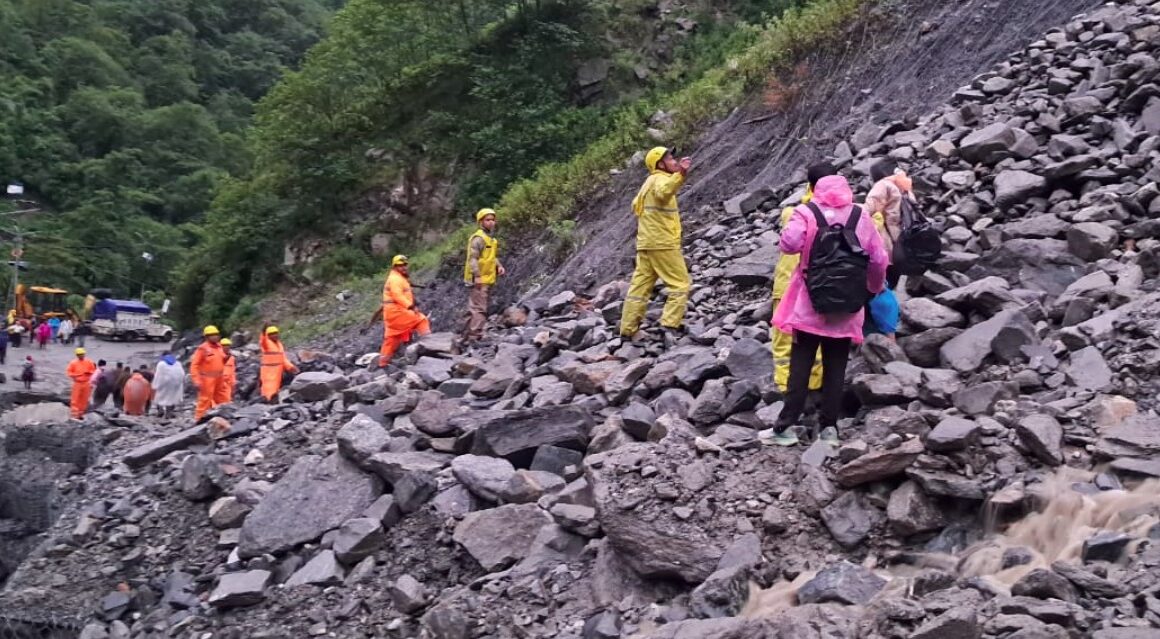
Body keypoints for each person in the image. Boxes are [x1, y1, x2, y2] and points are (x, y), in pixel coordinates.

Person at [770, 174, 888, 446]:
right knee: (836, 366)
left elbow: (789, 244)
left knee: (800, 364)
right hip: (847, 305)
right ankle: (829, 429)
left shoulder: (806, 212)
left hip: (810, 303)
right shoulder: (860, 216)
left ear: (815, 189)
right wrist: (871, 288)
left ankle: (785, 427)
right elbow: (879, 259)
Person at [771, 163, 836, 394]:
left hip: (788, 284)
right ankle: (815, 384)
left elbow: (790, 242)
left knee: (784, 337)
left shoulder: (794, 213)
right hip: (822, 286)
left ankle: (786, 387)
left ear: (810, 186)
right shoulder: (847, 215)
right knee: (817, 334)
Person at [619, 146, 692, 340]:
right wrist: (681, 174)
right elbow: (663, 192)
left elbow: (636, 205)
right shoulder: (660, 180)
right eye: (670, 159)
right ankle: (669, 325)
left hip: (646, 243)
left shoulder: (647, 183)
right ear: (659, 164)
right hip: (663, 242)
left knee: (640, 287)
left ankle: (627, 328)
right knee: (680, 284)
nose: (674, 161)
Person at [865, 159, 917, 290]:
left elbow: (868, 209)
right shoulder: (904, 186)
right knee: (894, 279)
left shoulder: (883, 185)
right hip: (904, 240)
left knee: (882, 283)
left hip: (887, 243)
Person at [376, 255, 431, 368]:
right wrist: (410, 306)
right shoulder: (395, 279)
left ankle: (383, 363)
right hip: (397, 312)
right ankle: (430, 345)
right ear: (394, 266)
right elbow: (397, 295)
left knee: (392, 338)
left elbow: (405, 293)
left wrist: (413, 302)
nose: (404, 267)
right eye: (400, 265)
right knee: (421, 320)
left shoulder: (398, 278)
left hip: (391, 314)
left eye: (405, 265)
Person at [462, 208, 505, 343]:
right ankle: (476, 335)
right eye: (487, 220)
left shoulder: (491, 239)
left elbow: (491, 257)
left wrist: (499, 266)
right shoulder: (478, 239)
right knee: (480, 308)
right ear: (480, 222)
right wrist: (477, 276)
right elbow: (473, 259)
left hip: (487, 278)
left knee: (473, 307)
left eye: (493, 220)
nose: (491, 222)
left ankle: (465, 335)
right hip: (479, 279)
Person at [191, 326, 226, 420]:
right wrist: (196, 380)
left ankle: (221, 417)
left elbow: (222, 360)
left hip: (219, 378)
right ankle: (199, 419)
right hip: (207, 379)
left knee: (222, 399)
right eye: (212, 335)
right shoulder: (202, 349)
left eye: (216, 334)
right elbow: (194, 365)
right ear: (207, 337)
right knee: (205, 400)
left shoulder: (219, 347)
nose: (215, 337)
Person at [259, 324, 297, 402]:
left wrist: (291, 367)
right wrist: (263, 333)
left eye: (276, 333)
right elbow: (262, 341)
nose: (275, 335)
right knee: (269, 387)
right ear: (268, 335)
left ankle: (273, 401)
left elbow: (283, 358)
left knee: (275, 387)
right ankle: (266, 402)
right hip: (269, 370)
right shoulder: (266, 343)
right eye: (272, 334)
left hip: (277, 370)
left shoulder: (279, 344)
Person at [66, 348, 97, 419]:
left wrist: (89, 373)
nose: (81, 355)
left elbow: (94, 371)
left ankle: (81, 414)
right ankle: (74, 414)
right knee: (75, 399)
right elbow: (69, 372)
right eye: (79, 354)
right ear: (77, 355)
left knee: (84, 399)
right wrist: (76, 375)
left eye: (82, 354)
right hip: (77, 383)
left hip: (87, 383)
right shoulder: (73, 363)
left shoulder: (89, 362)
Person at [153, 352, 184, 419]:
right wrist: (179, 384)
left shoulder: (161, 364)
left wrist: (155, 385)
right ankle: (169, 412)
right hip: (176, 383)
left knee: (159, 397)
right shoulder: (178, 363)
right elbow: (182, 374)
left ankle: (160, 410)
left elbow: (158, 375)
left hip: (166, 382)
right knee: (172, 398)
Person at [219, 338, 236, 405]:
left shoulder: (232, 358)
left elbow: (232, 370)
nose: (226, 347)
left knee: (227, 400)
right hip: (219, 381)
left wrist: (233, 382)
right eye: (224, 345)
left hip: (228, 382)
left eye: (228, 345)